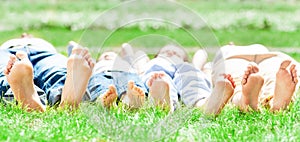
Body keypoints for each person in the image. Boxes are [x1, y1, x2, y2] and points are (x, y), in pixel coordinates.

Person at [0, 35, 95, 112]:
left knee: (7, 71)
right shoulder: (40, 42)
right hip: (42, 54)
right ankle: (65, 102)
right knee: (56, 72)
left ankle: (21, 97)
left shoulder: (39, 43)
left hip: (43, 52)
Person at [194, 43, 299, 112]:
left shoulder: (226, 49)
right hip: (270, 57)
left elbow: (203, 66)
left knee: (235, 81)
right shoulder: (258, 46)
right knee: (275, 72)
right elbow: (204, 64)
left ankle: (243, 100)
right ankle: (274, 100)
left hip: (233, 58)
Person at [135, 44, 236, 115]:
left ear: (184, 59)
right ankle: (164, 100)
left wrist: (197, 67)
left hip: (185, 68)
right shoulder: (155, 62)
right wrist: (142, 69)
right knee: (157, 76)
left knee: (192, 77)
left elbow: (201, 54)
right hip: (158, 69)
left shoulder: (187, 66)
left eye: (176, 53)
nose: (171, 53)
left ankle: (203, 104)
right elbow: (140, 55)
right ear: (156, 56)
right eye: (166, 52)